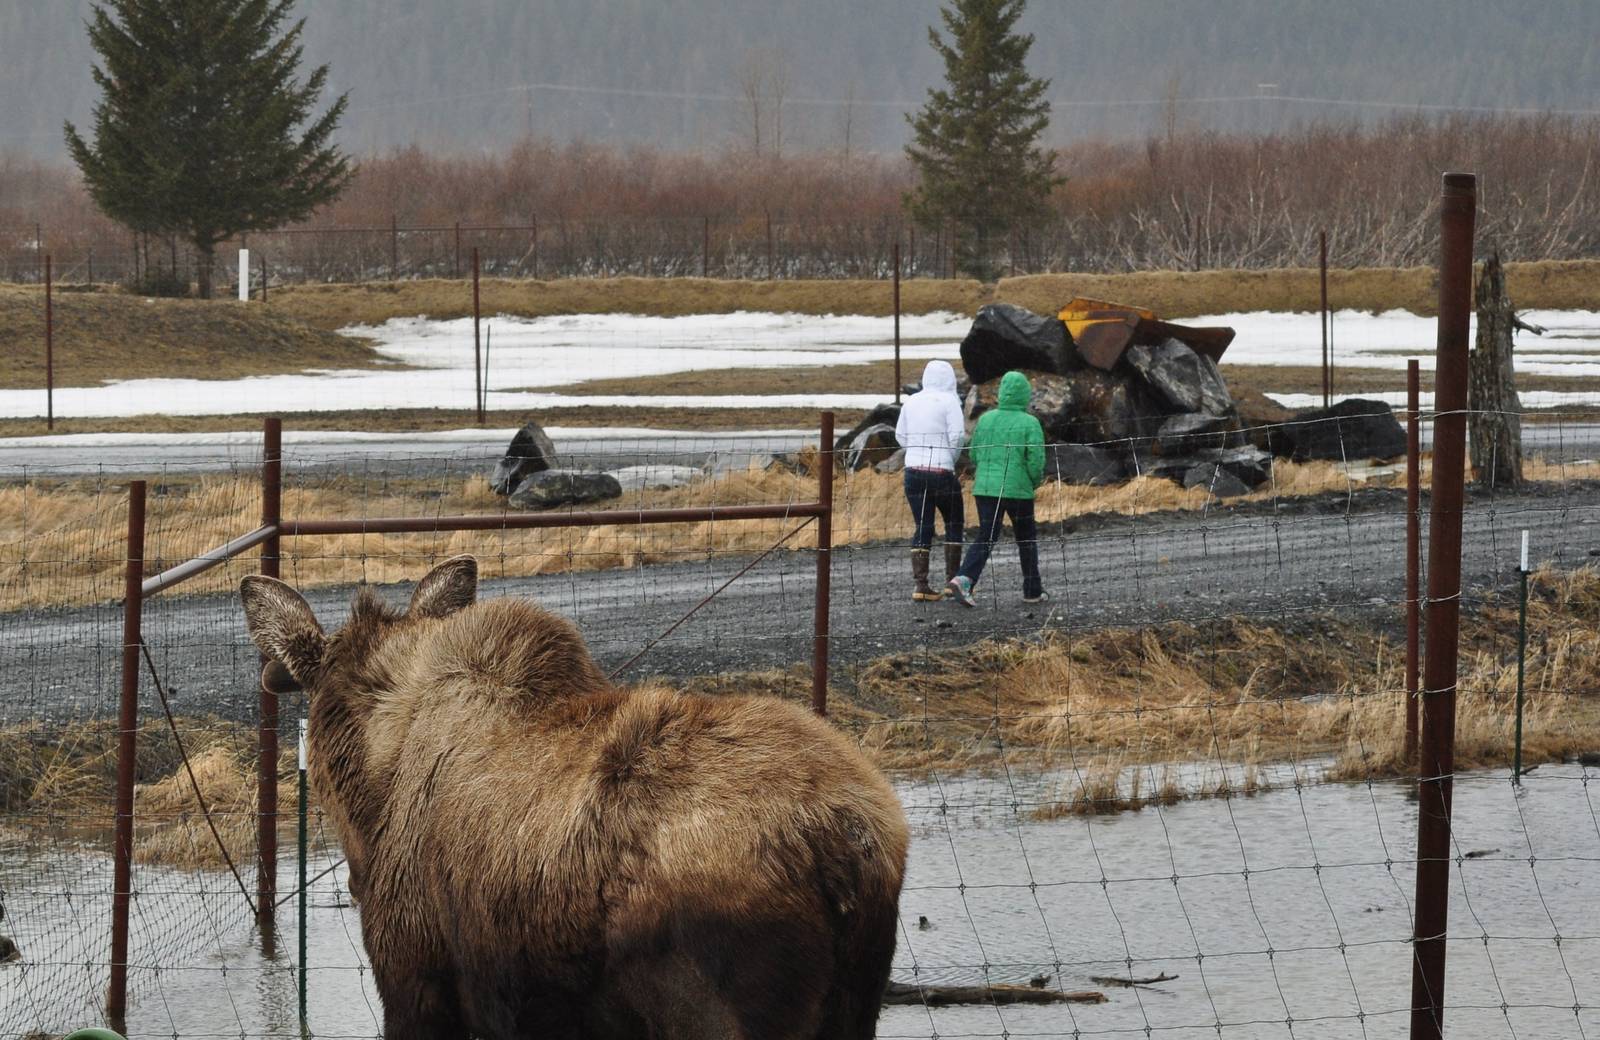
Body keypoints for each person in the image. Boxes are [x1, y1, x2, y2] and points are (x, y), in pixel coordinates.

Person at [947, 370, 1047, 606]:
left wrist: (984, 472)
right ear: (1025, 395)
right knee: (1026, 539)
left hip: (985, 488)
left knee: (986, 535)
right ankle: (1032, 590)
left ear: (1001, 392)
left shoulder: (986, 419)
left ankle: (964, 579)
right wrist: (1033, 482)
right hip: (1018, 489)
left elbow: (973, 453)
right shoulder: (1030, 423)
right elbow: (1036, 459)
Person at [895, 360, 966, 601]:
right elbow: (957, 437)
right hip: (942, 471)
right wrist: (950, 459)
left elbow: (900, 435)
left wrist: (915, 451)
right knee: (954, 522)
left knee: (923, 525)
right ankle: (951, 581)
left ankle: (921, 584)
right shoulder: (951, 402)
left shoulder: (911, 402)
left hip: (913, 471)